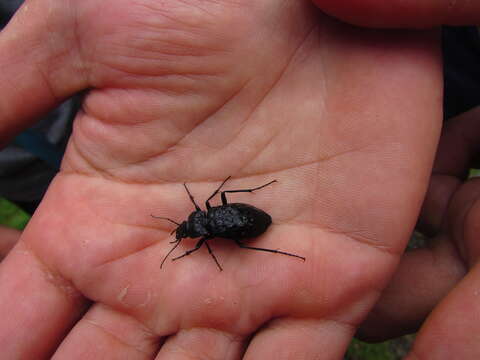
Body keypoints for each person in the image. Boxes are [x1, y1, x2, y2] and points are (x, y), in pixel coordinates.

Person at [0, 0, 470, 358]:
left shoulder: (205, 230)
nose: (184, 231)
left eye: (184, 230)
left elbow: (218, 224)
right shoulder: (204, 225)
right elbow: (216, 218)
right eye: (185, 233)